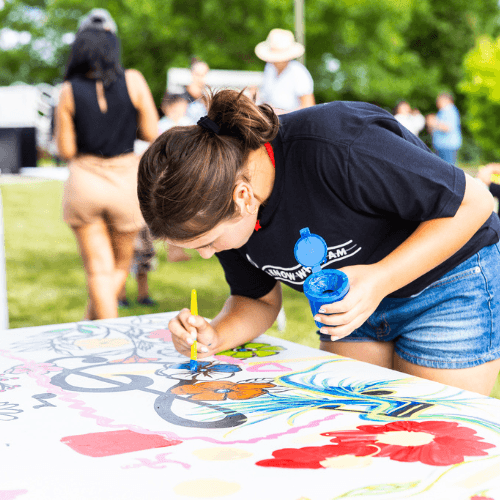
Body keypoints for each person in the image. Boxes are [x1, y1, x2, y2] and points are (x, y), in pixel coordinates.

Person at [137, 89, 500, 396]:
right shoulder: (226, 206)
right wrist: (215, 334)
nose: (205, 254)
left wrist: (380, 280)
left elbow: (475, 203)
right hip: (353, 307)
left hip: (449, 283)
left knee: (432, 432)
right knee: (354, 427)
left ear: (244, 197)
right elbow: (256, 300)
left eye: (208, 241)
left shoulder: (339, 143)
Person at [56, 10, 159, 320]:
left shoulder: (68, 90)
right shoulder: (135, 80)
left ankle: (98, 329)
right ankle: (103, 331)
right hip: (125, 182)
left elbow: (66, 148)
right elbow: (152, 132)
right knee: (117, 266)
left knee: (98, 270)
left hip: (85, 182)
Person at [255, 28, 315, 113]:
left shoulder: (298, 72)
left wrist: (283, 113)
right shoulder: (269, 69)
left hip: (293, 121)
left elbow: (309, 106)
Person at [118, 226, 158, 307]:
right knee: (121, 265)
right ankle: (120, 298)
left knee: (143, 263)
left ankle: (143, 296)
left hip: (141, 229)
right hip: (122, 227)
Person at [426, 92, 462, 165]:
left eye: (438, 100)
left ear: (446, 100)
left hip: (447, 146)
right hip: (442, 146)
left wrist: (433, 122)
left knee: (449, 170)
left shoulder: (449, 111)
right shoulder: (442, 111)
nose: (437, 103)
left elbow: (447, 128)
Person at [183, 58, 210, 123]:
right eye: (197, 74)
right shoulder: (181, 96)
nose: (200, 78)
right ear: (191, 74)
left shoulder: (207, 98)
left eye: (203, 74)